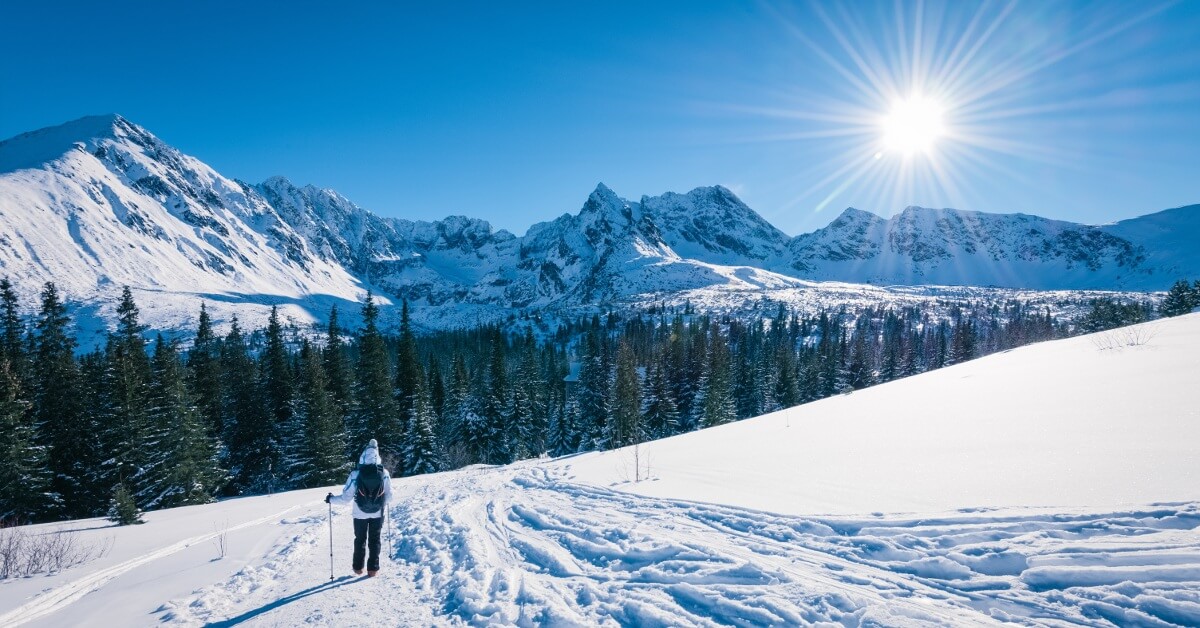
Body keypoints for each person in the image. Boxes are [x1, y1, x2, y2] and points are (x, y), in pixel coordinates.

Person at [326, 439, 393, 576]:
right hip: (378, 514)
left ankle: (358, 568)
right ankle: (373, 569)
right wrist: (380, 503)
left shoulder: (356, 474)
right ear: (377, 455)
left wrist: (331, 499)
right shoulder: (384, 473)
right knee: (375, 539)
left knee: (360, 539)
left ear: (363, 456)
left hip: (359, 514)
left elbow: (346, 498)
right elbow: (390, 496)